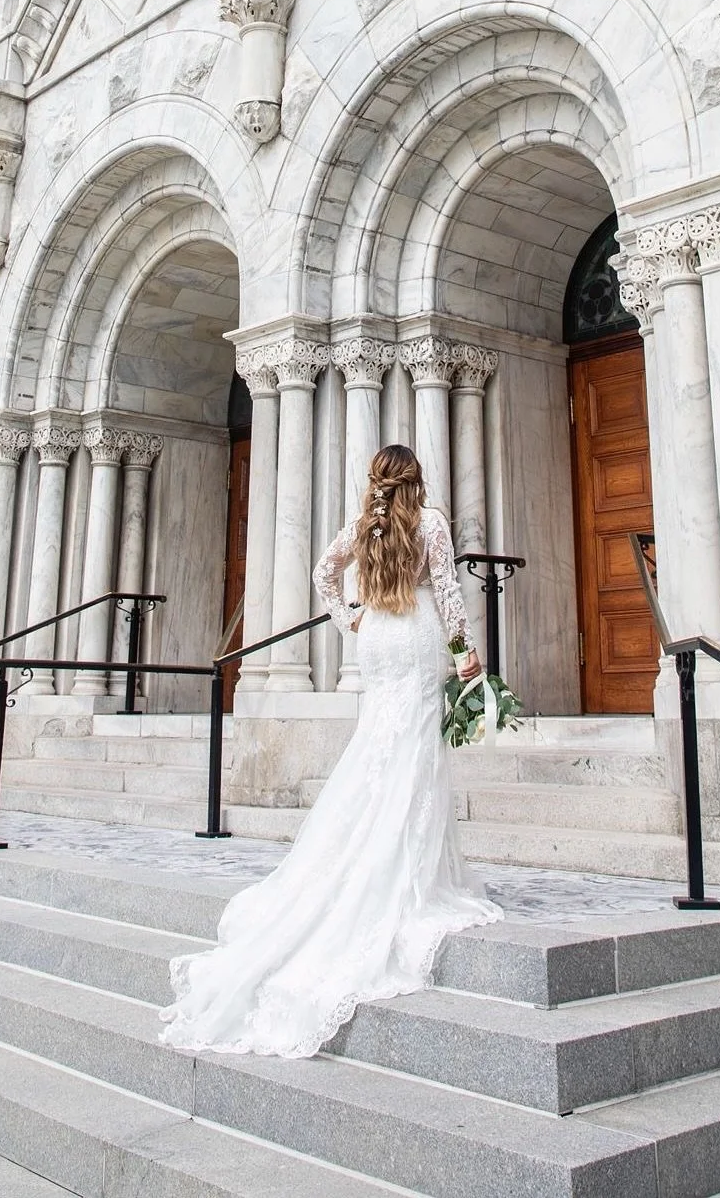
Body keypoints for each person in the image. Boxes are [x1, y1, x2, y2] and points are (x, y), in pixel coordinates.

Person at [158, 444, 501, 1058]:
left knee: (377, 744)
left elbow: (322, 572)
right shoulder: (432, 523)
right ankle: (411, 875)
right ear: (418, 480)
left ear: (375, 481)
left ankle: (357, 852)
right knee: (415, 755)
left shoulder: (362, 524)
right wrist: (465, 654)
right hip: (417, 636)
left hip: (379, 639)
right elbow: (448, 591)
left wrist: (351, 620)